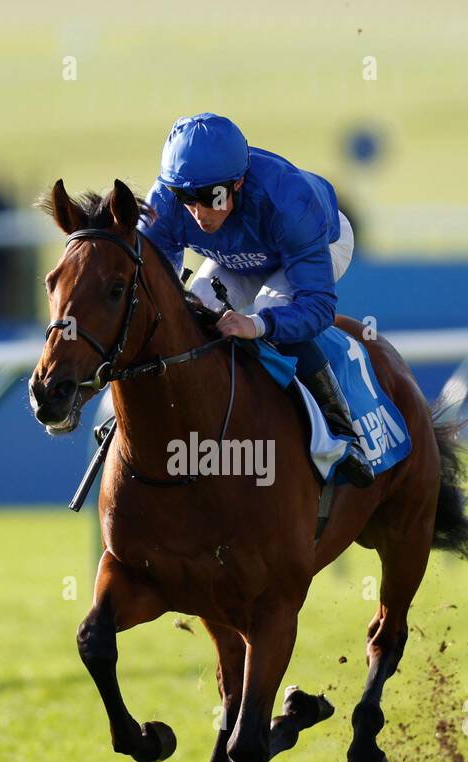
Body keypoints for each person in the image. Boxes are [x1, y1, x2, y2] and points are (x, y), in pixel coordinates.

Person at [138, 113, 374, 487]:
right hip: (236, 254)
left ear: (239, 182)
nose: (198, 213)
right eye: (187, 198)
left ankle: (341, 436)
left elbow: (317, 307)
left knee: (269, 314)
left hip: (319, 242)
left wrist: (256, 324)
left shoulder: (289, 202)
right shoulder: (165, 202)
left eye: (208, 198)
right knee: (190, 318)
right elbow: (154, 292)